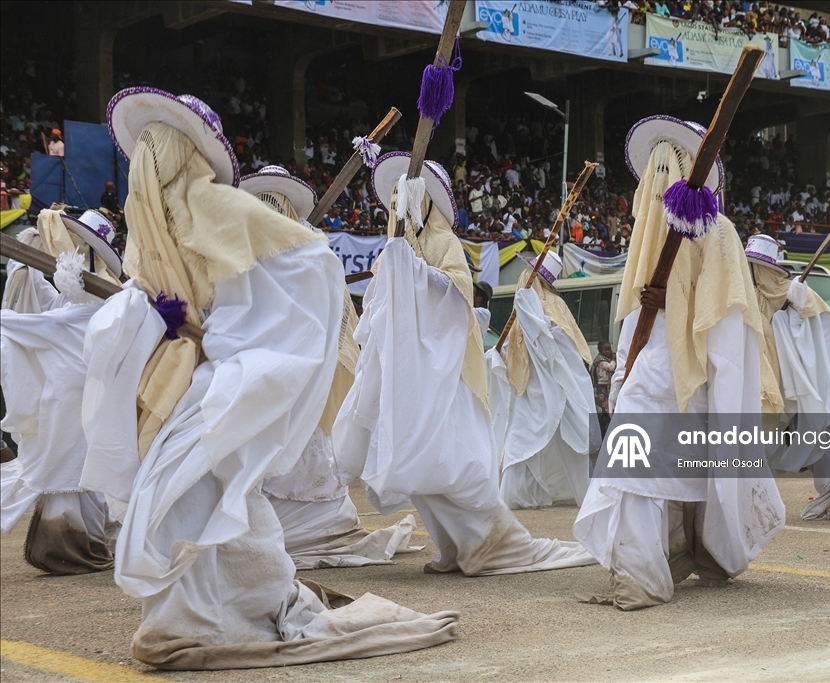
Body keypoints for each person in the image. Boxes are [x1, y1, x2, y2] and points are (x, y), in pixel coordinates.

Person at [81, 89, 457, 670]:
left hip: (212, 382)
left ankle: (213, 615)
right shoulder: (149, 219)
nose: (144, 167)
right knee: (194, 499)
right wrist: (149, 314)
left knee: (198, 495)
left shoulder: (213, 207)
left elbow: (309, 259)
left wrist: (228, 347)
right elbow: (152, 290)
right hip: (173, 380)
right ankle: (206, 613)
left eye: (157, 151)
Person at [333, 151, 595, 576]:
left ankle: (485, 542)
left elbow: (456, 295)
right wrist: (396, 269)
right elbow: (377, 313)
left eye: (408, 194)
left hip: (443, 378)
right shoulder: (389, 253)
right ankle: (453, 546)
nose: (400, 202)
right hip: (407, 379)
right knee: (420, 469)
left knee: (447, 461)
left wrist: (413, 272)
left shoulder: (443, 243)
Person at [574, 117, 785, 611]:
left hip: (692, 372)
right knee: (637, 466)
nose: (661, 176)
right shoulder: (648, 230)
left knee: (640, 464)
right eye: (655, 167)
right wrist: (627, 364)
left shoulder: (721, 232)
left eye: (672, 165)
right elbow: (635, 310)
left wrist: (724, 386)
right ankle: (646, 567)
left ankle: (648, 571)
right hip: (650, 364)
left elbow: (728, 318)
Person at [239, 164, 420, 569]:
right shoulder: (244, 255)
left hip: (299, 369)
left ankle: (310, 523)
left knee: (297, 445)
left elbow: (331, 311)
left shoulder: (312, 255)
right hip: (258, 373)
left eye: (273, 203)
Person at [1, 209, 123, 575]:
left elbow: (39, 323)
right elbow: (49, 306)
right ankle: (77, 546)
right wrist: (31, 263)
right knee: (74, 473)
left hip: (77, 400)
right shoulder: (79, 301)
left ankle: (73, 546)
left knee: (72, 472)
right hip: (72, 398)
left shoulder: (99, 303)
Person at [745, 234, 830, 519]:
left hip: (797, 380)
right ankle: (754, 503)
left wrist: (795, 317)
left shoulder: (797, 293)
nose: (748, 272)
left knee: (817, 435)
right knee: (755, 438)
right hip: (760, 380)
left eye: (753, 266)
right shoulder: (742, 296)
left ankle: (829, 495)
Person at [487, 252, 596, 509]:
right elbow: (519, 344)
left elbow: (550, 341)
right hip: (534, 385)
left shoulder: (538, 302)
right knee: (525, 436)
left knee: (528, 435)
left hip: (542, 386)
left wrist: (536, 324)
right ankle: (520, 493)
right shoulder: (538, 303)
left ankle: (516, 495)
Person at [591, 340, 616, 436]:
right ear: (599, 350)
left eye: (609, 349)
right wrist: (613, 359)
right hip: (601, 389)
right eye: (605, 349)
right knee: (603, 411)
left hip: (605, 388)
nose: (608, 351)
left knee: (606, 410)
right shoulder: (601, 360)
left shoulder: (604, 358)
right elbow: (610, 368)